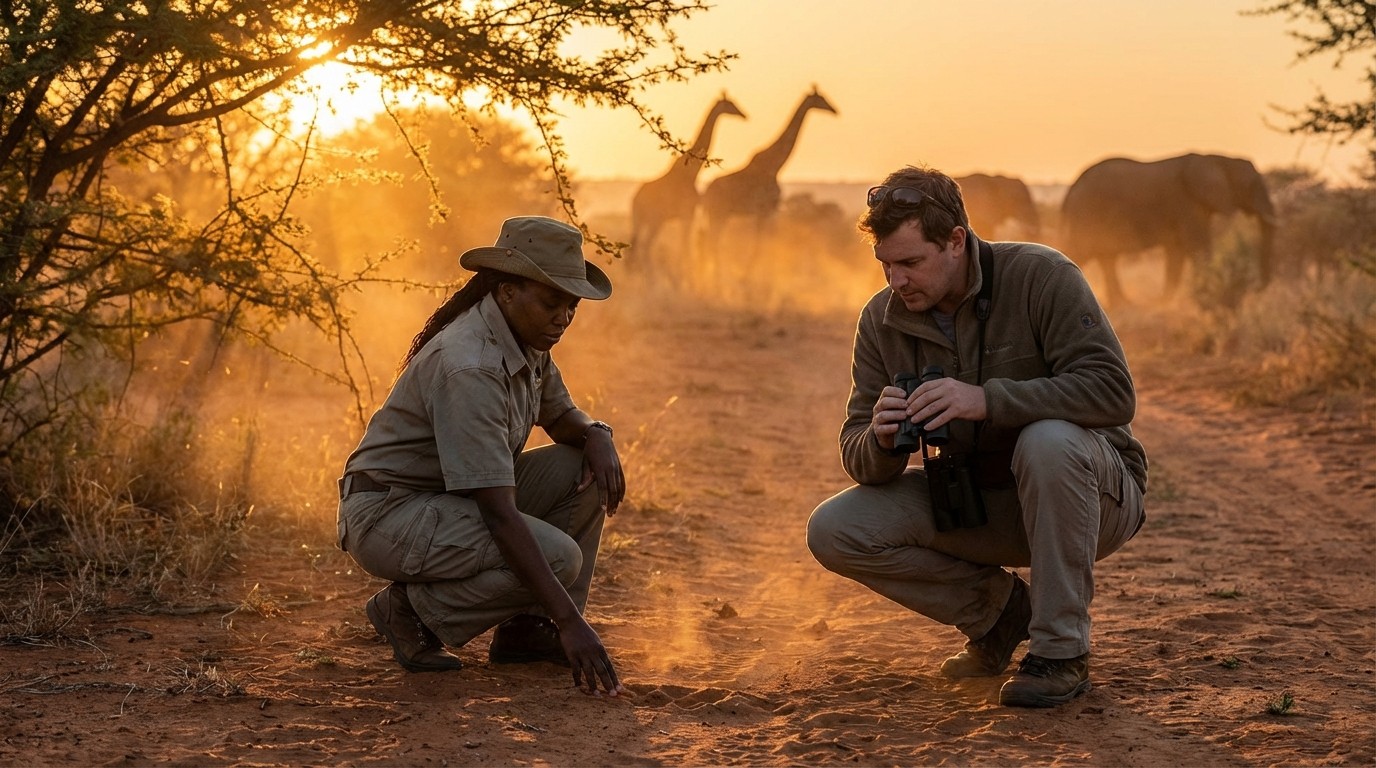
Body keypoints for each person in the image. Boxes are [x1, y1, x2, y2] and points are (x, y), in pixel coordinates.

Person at [806, 165, 1148, 707]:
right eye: (886, 265)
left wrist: (988, 399)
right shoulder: (879, 320)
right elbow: (856, 447)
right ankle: (999, 616)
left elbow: (1112, 392)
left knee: (1048, 441)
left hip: (1089, 499)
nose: (896, 280)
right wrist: (881, 437)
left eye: (911, 263)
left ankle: (1060, 652)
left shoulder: (1042, 276)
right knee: (834, 528)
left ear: (956, 241)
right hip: (973, 504)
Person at [336, 215, 626, 696]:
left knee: (583, 467)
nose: (564, 317)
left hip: (444, 502)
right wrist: (571, 620)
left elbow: (559, 416)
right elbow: (498, 513)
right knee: (559, 558)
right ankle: (411, 614)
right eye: (553, 302)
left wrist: (597, 433)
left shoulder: (525, 337)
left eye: (571, 305)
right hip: (390, 513)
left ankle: (527, 634)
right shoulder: (470, 364)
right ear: (508, 290)